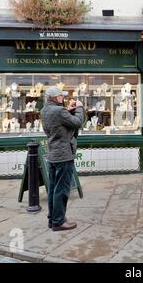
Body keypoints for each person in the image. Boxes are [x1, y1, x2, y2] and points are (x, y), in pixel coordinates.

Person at [41, 86, 84, 231]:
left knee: (53, 189)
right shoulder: (59, 111)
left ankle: (52, 219)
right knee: (62, 190)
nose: (63, 98)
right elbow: (77, 122)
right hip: (64, 155)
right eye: (61, 96)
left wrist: (68, 110)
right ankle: (59, 222)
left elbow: (61, 120)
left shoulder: (45, 110)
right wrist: (79, 108)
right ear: (55, 97)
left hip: (53, 154)